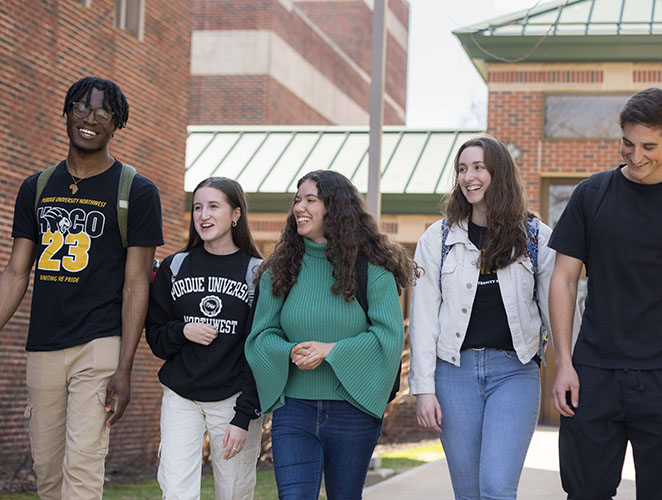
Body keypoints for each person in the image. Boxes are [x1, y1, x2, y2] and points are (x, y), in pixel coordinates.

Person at [549, 87, 662, 499]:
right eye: (628, 144)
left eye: (649, 146)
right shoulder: (590, 196)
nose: (636, 157)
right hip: (595, 373)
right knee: (584, 493)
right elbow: (562, 278)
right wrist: (564, 362)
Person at [0, 76, 163, 499]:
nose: (90, 119)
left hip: (99, 345)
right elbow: (17, 273)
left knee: (84, 464)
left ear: (116, 124)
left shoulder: (137, 191)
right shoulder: (36, 187)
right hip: (44, 344)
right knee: (48, 471)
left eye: (103, 112)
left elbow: (135, 285)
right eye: (82, 108)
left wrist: (125, 367)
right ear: (67, 112)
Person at [245, 169, 411, 500]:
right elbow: (261, 336)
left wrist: (330, 350)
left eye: (311, 200)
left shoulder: (372, 269)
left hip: (354, 411)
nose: (299, 208)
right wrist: (289, 351)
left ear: (334, 208)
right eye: (297, 200)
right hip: (295, 410)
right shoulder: (281, 269)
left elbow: (388, 338)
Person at [409, 135, 558, 500]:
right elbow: (424, 318)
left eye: (478, 167)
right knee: (469, 492)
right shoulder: (437, 239)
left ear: (499, 173)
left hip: (514, 373)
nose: (468, 177)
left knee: (495, 486)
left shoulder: (536, 238)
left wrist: (574, 369)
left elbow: (558, 313)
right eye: (462, 169)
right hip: (453, 376)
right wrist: (424, 389)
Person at [146, 177, 264, 500]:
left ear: (236, 214)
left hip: (232, 399)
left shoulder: (257, 273)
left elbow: (260, 352)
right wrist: (183, 330)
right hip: (182, 396)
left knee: (234, 492)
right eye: (198, 207)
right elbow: (156, 337)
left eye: (214, 206)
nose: (203, 215)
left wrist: (245, 414)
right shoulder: (176, 266)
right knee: (175, 490)